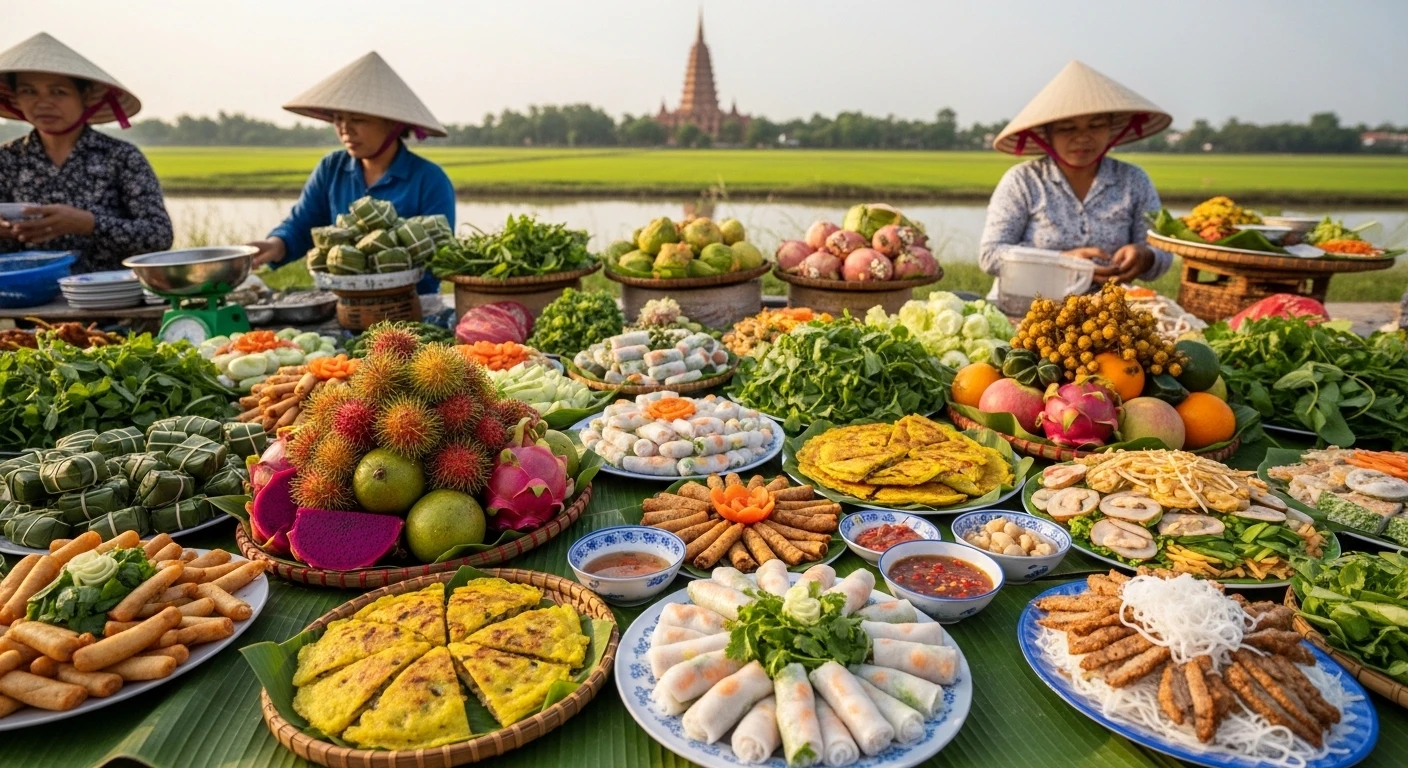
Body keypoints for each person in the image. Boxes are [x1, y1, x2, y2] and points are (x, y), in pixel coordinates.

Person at [247, 52, 454, 294]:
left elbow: (438, 256)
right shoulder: (331, 168)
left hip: (409, 307)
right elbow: (302, 225)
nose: (346, 129)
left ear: (393, 124)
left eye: (357, 119)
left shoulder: (429, 179)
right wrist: (276, 245)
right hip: (340, 302)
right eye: (338, 119)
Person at [979, 61, 1174, 296]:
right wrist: (1062, 262)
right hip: (1027, 309)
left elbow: (1162, 252)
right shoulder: (1023, 181)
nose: (1082, 138)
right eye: (1067, 128)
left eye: (1096, 125)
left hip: (1107, 316)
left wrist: (1145, 256)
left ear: (1111, 128)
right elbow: (990, 255)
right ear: (1047, 135)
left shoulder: (1133, 180)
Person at [0, 33, 172, 273]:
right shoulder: (6, 159)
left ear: (86, 96)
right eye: (29, 91)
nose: (43, 103)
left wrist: (88, 224)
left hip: (108, 299)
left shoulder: (121, 157)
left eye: (58, 92)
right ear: (15, 98)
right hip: (26, 298)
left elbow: (159, 236)